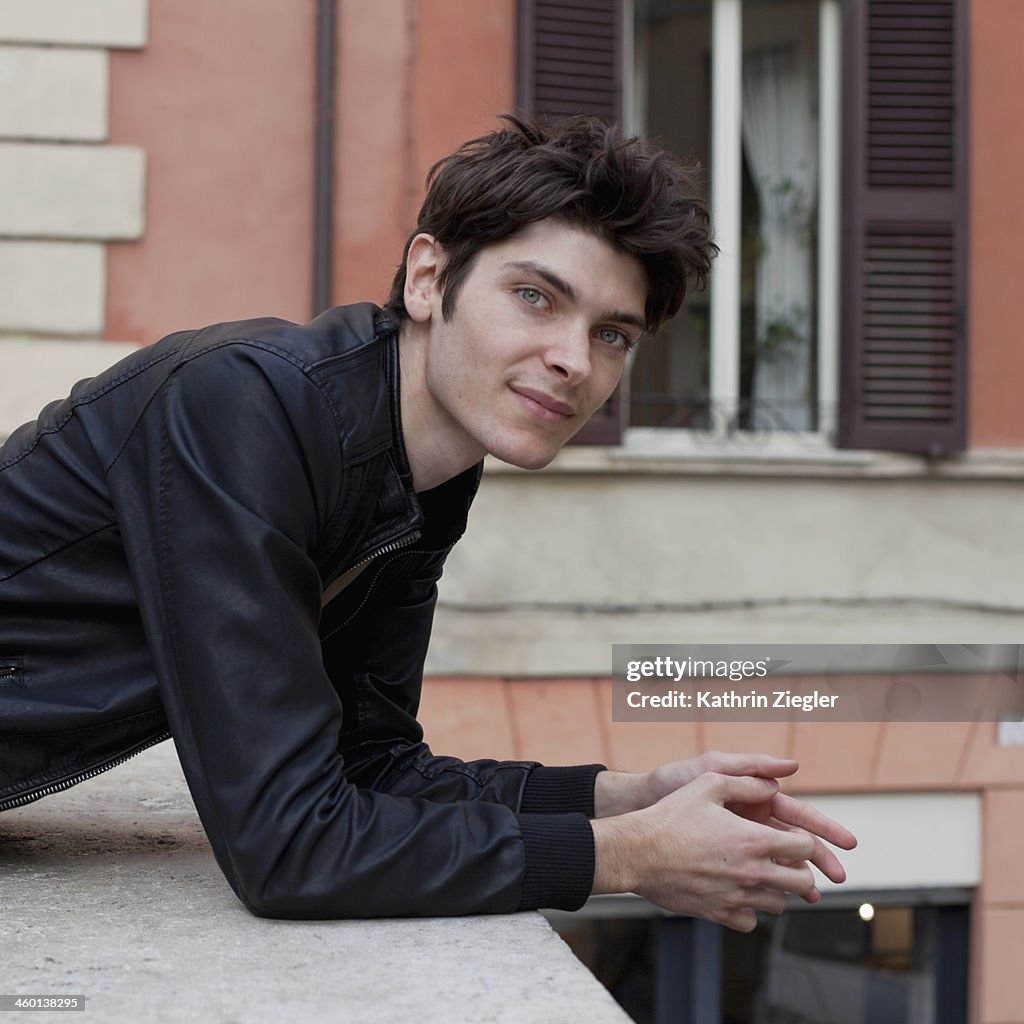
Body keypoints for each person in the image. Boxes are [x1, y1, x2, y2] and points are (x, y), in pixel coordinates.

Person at [0, 115, 855, 927]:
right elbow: (288, 846)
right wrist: (626, 855)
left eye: (612, 336)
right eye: (534, 297)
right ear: (426, 278)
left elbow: (372, 763)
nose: (572, 359)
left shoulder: (428, 474)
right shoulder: (246, 407)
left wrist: (621, 797)